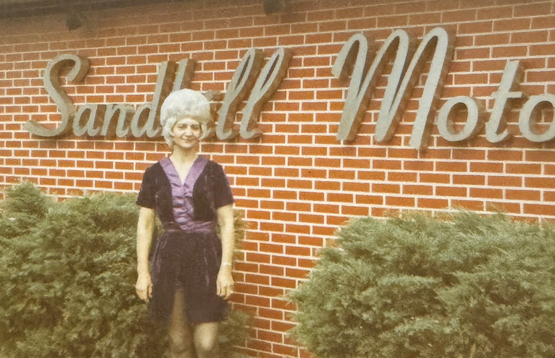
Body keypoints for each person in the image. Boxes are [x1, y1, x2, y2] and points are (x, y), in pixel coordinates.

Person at [135, 88, 235, 358]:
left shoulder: (214, 172)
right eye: (182, 126)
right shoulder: (154, 174)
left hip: (205, 258)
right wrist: (143, 272)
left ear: (202, 130)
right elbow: (145, 224)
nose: (188, 132)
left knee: (206, 344)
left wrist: (225, 269)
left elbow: (226, 222)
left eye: (194, 126)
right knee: (178, 344)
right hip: (169, 259)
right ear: (171, 130)